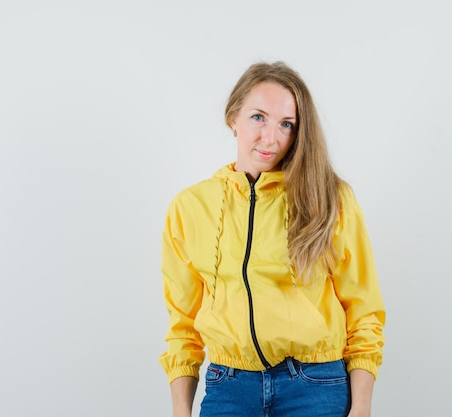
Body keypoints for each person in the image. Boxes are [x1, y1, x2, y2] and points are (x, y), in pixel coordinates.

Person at [159, 61, 385, 417]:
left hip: (316, 388)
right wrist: (180, 411)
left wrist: (362, 407)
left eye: (286, 125)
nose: (271, 137)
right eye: (258, 117)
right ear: (233, 117)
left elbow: (363, 310)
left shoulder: (329, 198)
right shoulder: (190, 207)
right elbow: (182, 323)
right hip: (228, 389)